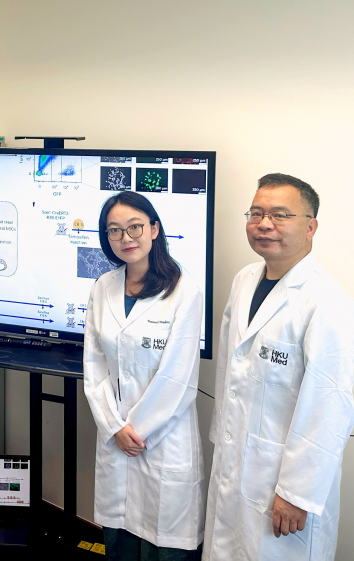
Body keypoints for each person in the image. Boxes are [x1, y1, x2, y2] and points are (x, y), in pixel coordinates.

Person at [203, 174, 354, 561]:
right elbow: (229, 370)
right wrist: (223, 435)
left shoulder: (327, 303)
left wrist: (297, 492)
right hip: (236, 459)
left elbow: (331, 405)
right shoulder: (244, 280)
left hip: (283, 483)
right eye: (256, 213)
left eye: (280, 215)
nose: (264, 223)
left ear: (310, 226)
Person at [83, 191, 204, 561]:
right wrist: (114, 427)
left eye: (134, 227)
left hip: (162, 438)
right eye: (114, 230)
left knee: (162, 545)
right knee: (119, 542)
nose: (126, 238)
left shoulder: (184, 290)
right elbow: (94, 366)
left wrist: (135, 430)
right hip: (116, 436)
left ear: (154, 229)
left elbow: (178, 376)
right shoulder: (103, 287)